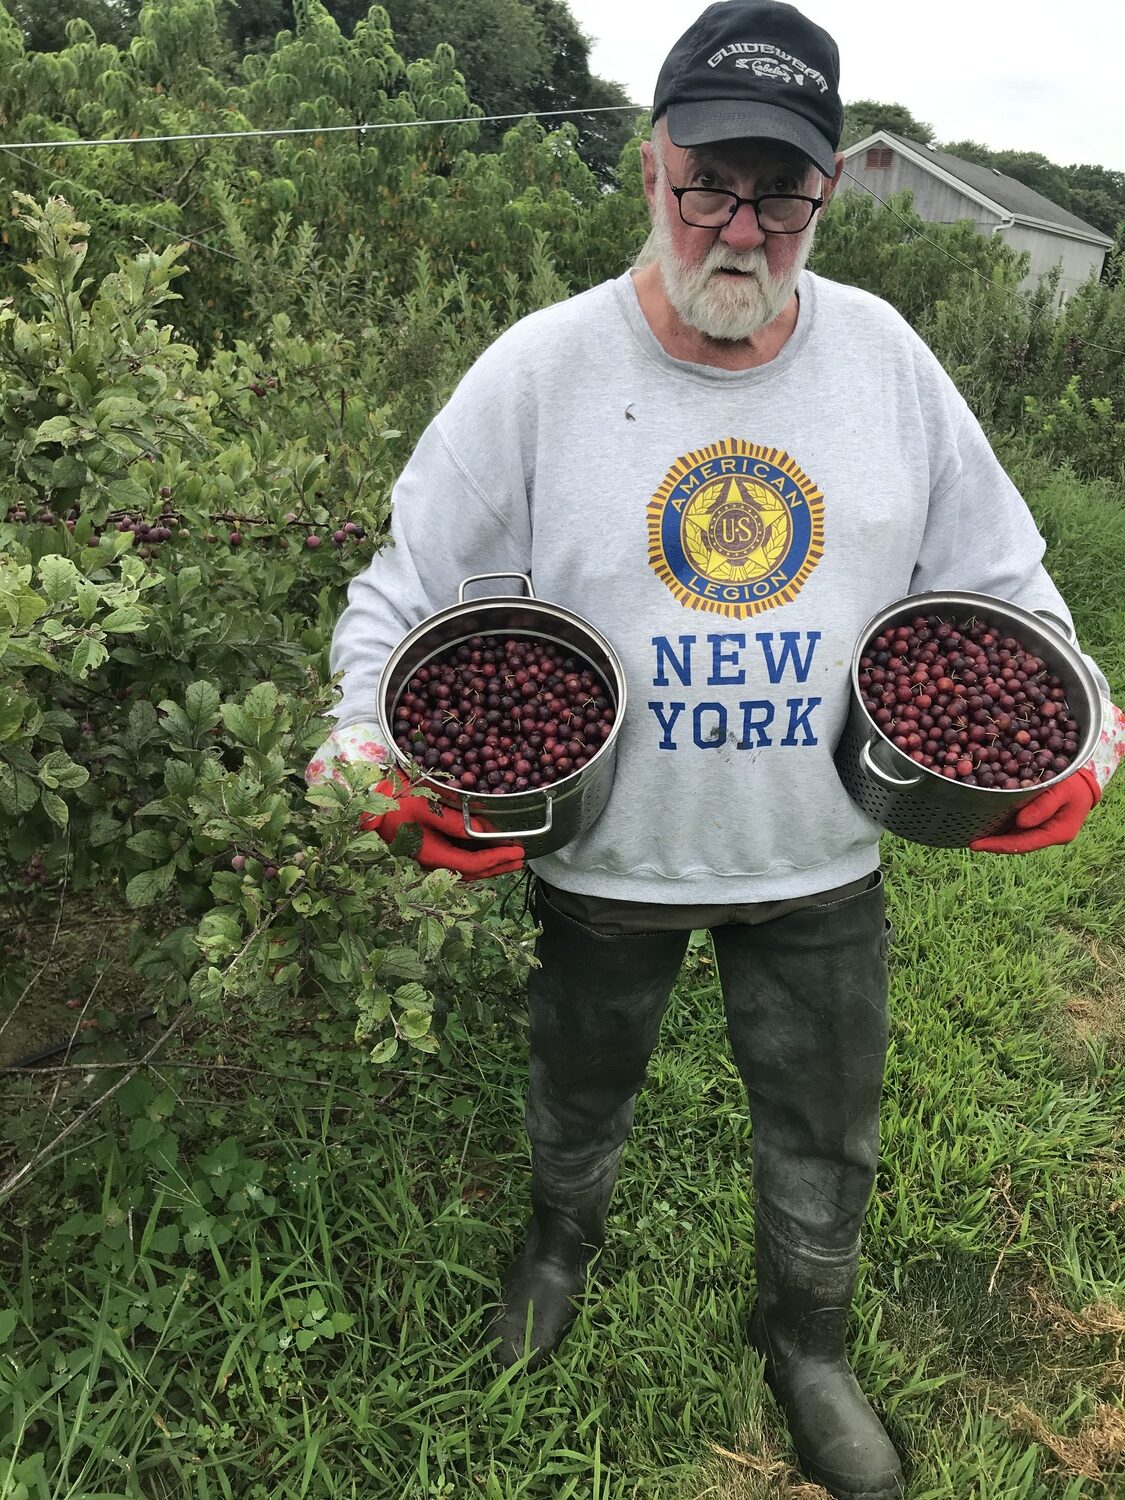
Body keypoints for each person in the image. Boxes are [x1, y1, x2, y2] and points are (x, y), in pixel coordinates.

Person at [306, 4, 1125, 1495]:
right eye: (708, 185)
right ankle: (557, 1248)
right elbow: (405, 588)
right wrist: (361, 752)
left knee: (825, 1115)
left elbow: (1007, 581)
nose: (740, 228)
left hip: (813, 858)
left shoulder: (881, 357)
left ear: (822, 193)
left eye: (781, 193)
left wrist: (1092, 733)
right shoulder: (541, 369)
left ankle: (806, 1338)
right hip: (603, 847)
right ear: (651, 169)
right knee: (578, 1076)